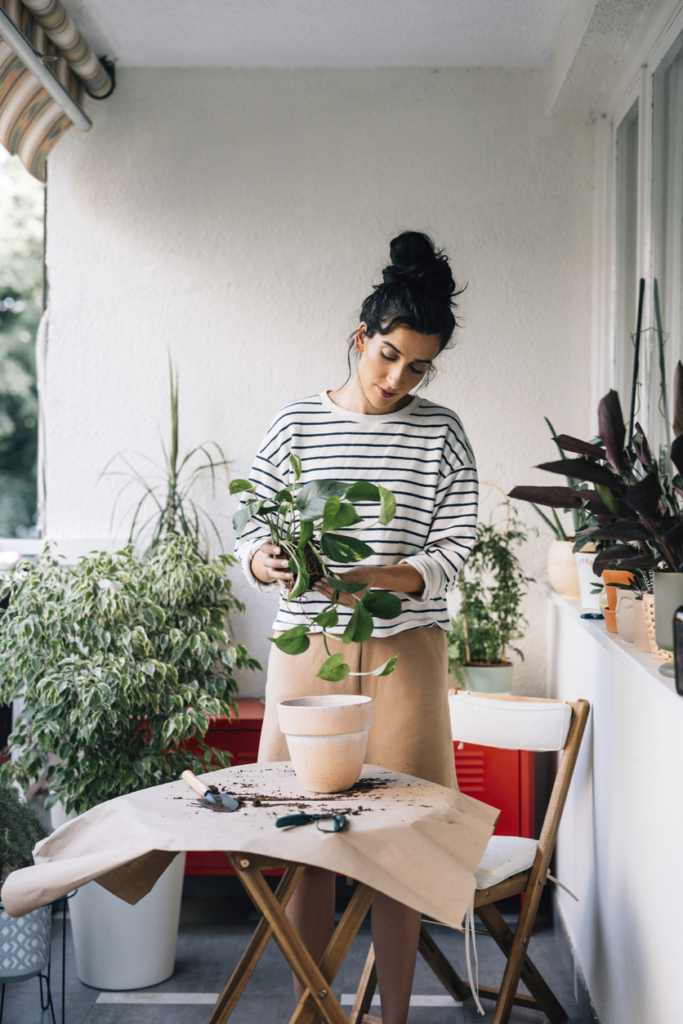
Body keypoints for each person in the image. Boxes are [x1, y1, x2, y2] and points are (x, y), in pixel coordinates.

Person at [235, 231, 477, 1024]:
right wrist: (263, 559)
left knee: (399, 844)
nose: (397, 378)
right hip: (310, 653)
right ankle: (314, 1009)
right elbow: (251, 522)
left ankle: (393, 1016)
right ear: (359, 338)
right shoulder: (296, 423)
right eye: (387, 355)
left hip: (406, 648)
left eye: (418, 366)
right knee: (308, 840)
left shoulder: (441, 434)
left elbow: (453, 551)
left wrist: (377, 576)